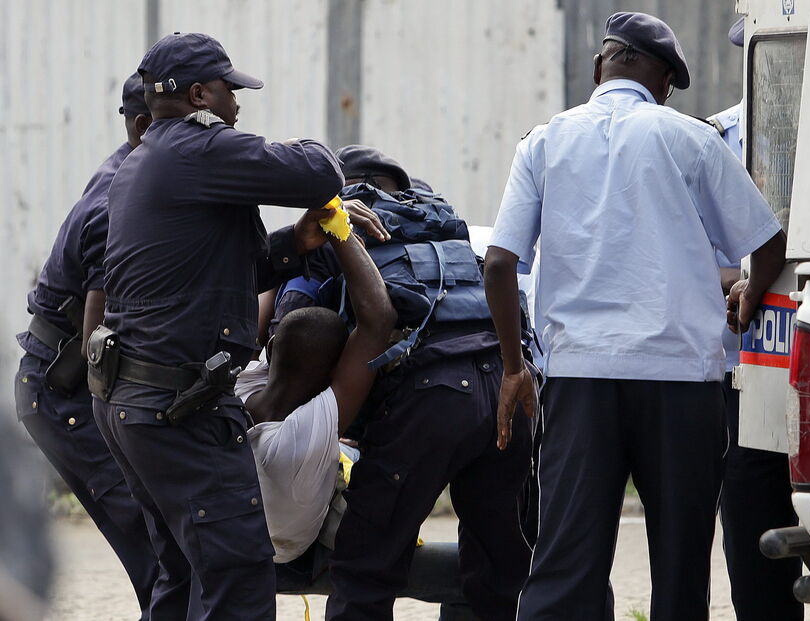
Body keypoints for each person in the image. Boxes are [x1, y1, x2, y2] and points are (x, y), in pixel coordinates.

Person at [484, 12, 787, 621]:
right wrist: (749, 294)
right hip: (682, 384)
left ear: (601, 66)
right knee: (680, 565)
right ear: (665, 84)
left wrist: (515, 367)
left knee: (566, 560)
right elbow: (768, 241)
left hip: (578, 381)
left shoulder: (543, 141)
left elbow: (498, 263)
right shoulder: (691, 139)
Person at [89, 32, 382, 619]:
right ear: (199, 94)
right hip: (178, 409)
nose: (238, 104)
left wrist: (298, 242)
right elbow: (319, 170)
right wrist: (321, 185)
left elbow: (220, 277)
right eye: (230, 92)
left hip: (133, 401)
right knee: (239, 576)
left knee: (183, 573)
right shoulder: (196, 150)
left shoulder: (146, 161)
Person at [263, 145, 533, 621]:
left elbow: (299, 336)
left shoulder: (340, 230)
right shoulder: (443, 228)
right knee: (500, 571)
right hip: (504, 393)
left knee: (366, 567)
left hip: (426, 403)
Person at [711, 19, 810, 621]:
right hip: (754, 378)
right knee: (758, 559)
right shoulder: (717, 140)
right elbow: (693, 258)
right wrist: (739, 280)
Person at [13, 74, 159, 620]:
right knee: (157, 552)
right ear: (144, 126)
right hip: (69, 396)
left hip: (65, 388)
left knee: (163, 552)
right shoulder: (119, 202)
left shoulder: (132, 171)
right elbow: (98, 335)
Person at [236, 219, 395, 565]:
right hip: (286, 547)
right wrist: (338, 226)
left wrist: (298, 241)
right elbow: (379, 320)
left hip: (237, 525)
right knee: (368, 458)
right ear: (331, 377)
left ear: (273, 346)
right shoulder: (305, 434)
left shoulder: (239, 384)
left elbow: (252, 304)